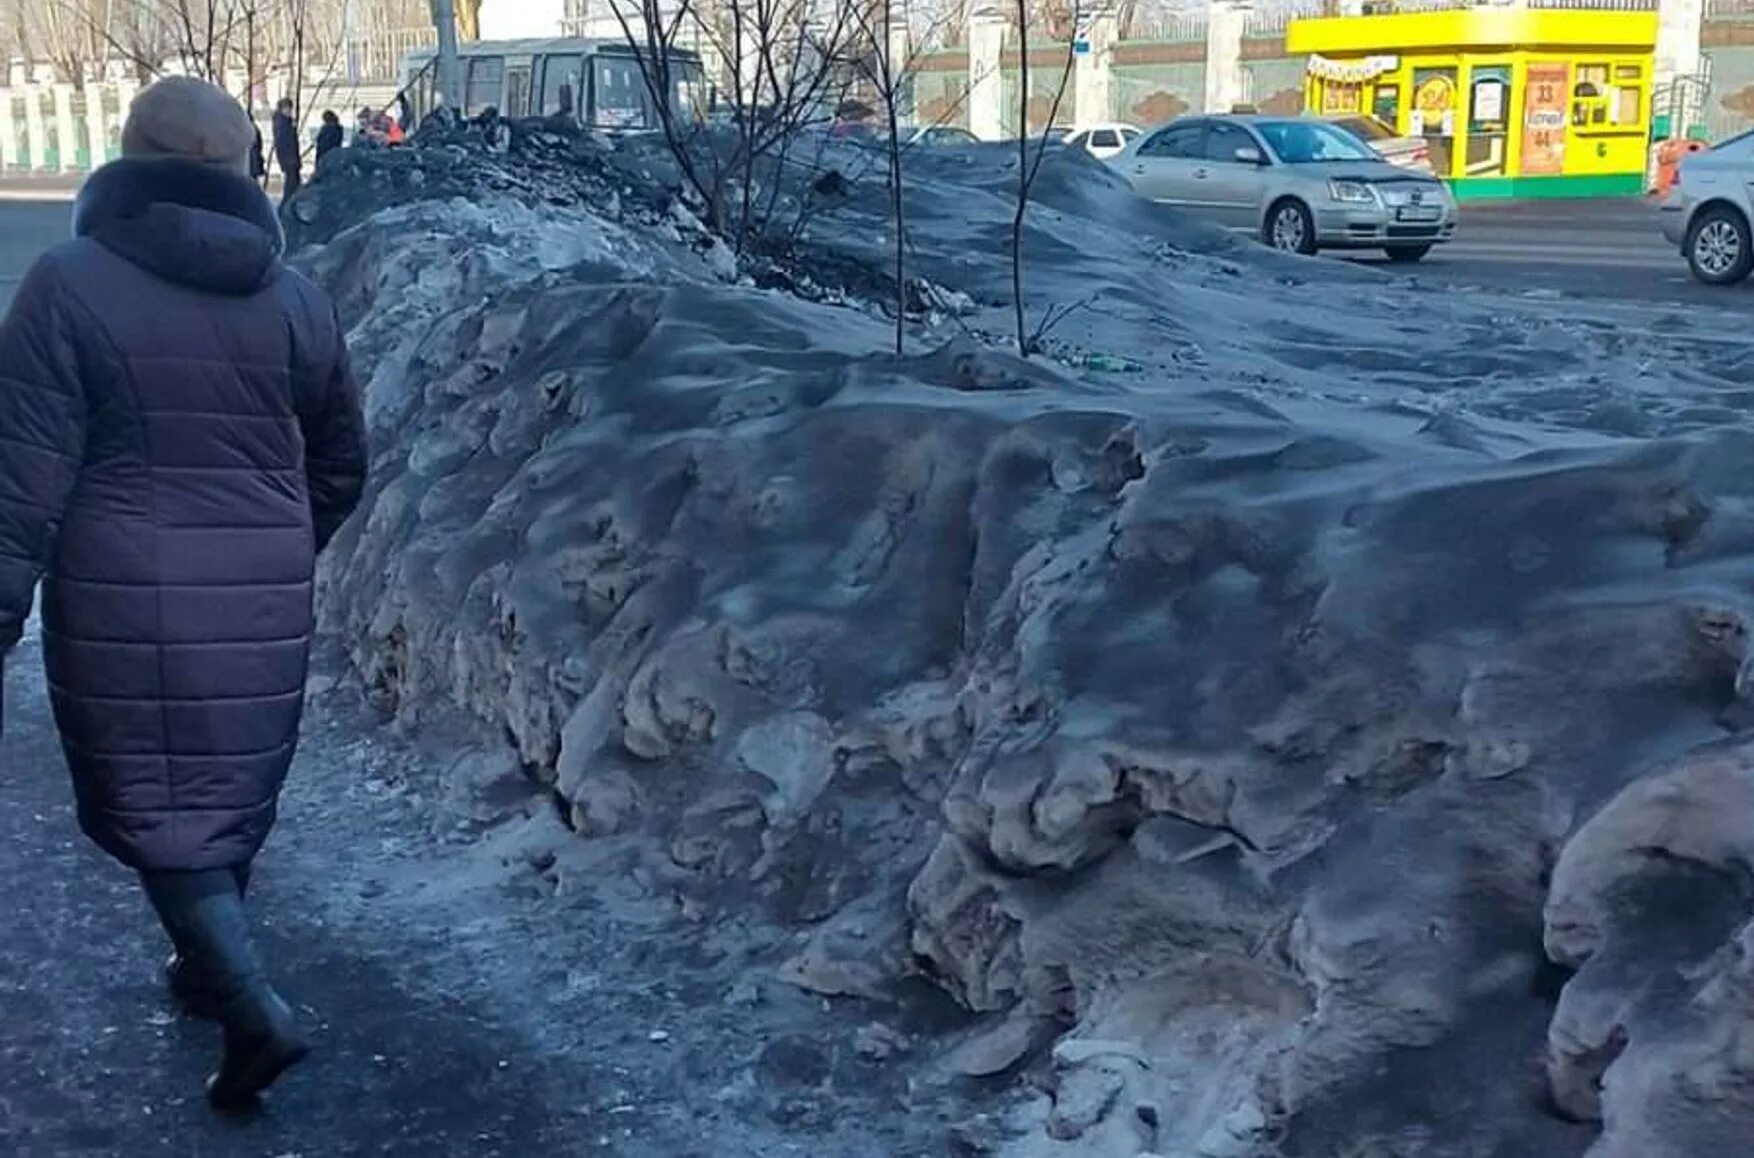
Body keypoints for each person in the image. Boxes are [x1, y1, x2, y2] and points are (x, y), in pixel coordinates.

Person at [0, 76, 366, 1111]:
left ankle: (254, 1006)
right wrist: (281, 541)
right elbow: (341, 461)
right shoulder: (297, 301)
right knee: (222, 789)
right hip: (260, 585)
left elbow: (17, 476)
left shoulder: (67, 284)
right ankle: (207, 968)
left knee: (158, 800)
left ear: (125, 159)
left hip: (122, 587)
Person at [271, 97, 301, 203]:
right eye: (287, 108)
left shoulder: (286, 121)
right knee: (291, 184)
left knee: (294, 183)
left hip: (291, 157)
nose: (289, 111)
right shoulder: (282, 123)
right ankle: (287, 205)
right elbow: (283, 143)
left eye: (290, 108)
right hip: (289, 158)